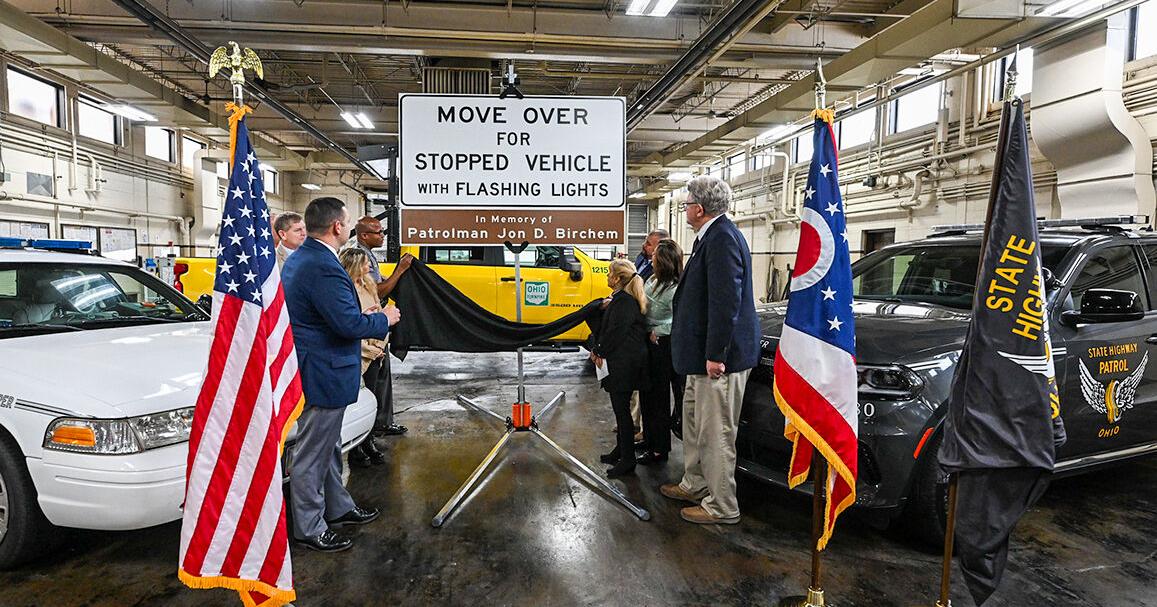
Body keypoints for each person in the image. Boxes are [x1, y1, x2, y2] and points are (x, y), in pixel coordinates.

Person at [282, 197, 399, 552]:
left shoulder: (305, 258)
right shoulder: (322, 265)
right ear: (337, 226)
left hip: (319, 367)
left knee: (329, 445)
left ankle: (338, 507)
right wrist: (385, 320)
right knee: (311, 455)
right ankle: (309, 526)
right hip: (324, 370)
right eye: (347, 222)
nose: (348, 228)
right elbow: (347, 323)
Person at [662, 176, 760, 525]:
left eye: (686, 203)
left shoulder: (721, 240)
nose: (685, 209)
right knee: (694, 424)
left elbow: (725, 302)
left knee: (716, 431)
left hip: (719, 360)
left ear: (699, 209)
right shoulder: (711, 237)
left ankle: (722, 505)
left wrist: (716, 354)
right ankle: (696, 482)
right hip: (699, 358)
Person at [353, 215, 413, 437]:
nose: (382, 236)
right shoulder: (360, 257)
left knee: (382, 376)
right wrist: (400, 270)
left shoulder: (369, 255)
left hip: (377, 326)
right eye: (378, 232)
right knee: (374, 379)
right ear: (364, 235)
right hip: (371, 327)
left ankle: (381, 422)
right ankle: (373, 428)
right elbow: (376, 291)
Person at [589, 259, 650, 478]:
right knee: (620, 410)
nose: (606, 276)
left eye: (608, 273)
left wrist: (599, 350)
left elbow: (615, 332)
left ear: (617, 279)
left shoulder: (624, 302)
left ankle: (627, 460)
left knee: (622, 411)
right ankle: (621, 450)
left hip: (624, 363)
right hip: (625, 361)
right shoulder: (622, 299)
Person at [338, 247, 390, 468]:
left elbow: (378, 315)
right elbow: (351, 325)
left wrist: (381, 346)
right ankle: (356, 448)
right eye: (366, 262)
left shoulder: (369, 285)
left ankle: (369, 442)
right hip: (362, 355)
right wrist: (369, 351)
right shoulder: (346, 290)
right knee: (359, 401)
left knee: (375, 399)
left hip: (377, 350)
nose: (370, 265)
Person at [637, 239, 684, 465]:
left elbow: (680, 320)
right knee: (646, 392)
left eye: (655, 255)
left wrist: (660, 330)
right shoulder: (653, 279)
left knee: (659, 398)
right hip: (647, 341)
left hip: (662, 346)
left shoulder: (676, 288)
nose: (651, 257)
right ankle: (648, 438)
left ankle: (659, 448)